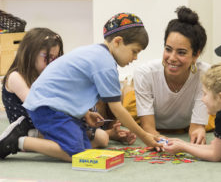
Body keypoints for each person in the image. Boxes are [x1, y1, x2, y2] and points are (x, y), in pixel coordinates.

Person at [0, 12, 160, 162]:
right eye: (134, 51)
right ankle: (20, 141)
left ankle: (30, 135)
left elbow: (67, 89)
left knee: (86, 144)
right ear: (117, 42)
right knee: (76, 153)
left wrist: (86, 113)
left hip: (53, 106)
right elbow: (117, 108)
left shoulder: (96, 53)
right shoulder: (105, 63)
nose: (135, 58)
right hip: (48, 107)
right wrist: (144, 135)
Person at [133, 6, 212, 146]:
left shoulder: (206, 75)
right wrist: (164, 142)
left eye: (181, 52)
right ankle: (128, 86)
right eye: (168, 49)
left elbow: (196, 127)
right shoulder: (144, 73)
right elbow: (148, 128)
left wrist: (197, 135)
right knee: (128, 105)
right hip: (148, 117)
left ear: (196, 55)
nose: (172, 58)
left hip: (183, 126)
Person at [1, 27, 64, 138]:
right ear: (30, 54)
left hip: (44, 125)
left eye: (55, 59)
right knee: (72, 138)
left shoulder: (43, 74)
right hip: (26, 129)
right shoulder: (15, 77)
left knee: (98, 137)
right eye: (48, 57)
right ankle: (19, 142)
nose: (51, 63)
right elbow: (36, 105)